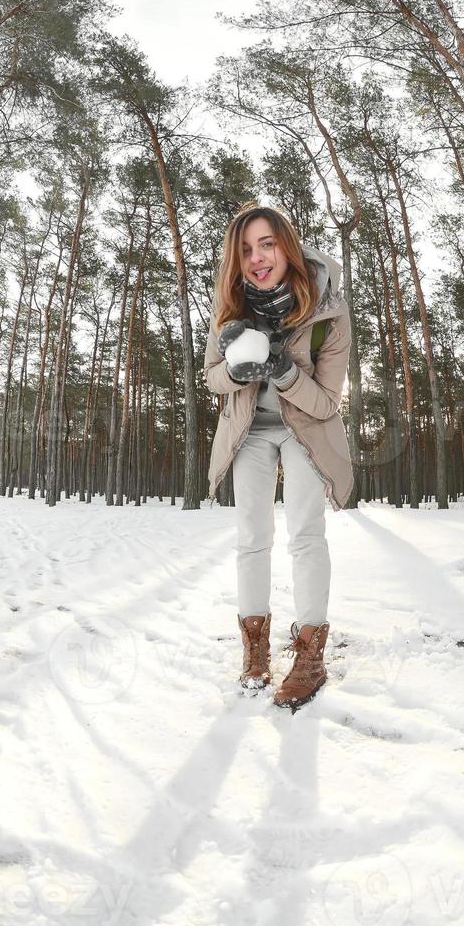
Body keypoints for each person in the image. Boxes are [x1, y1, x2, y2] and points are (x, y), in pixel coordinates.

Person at [203, 203, 353, 710]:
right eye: (246, 249)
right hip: (249, 431)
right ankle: (255, 651)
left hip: (306, 430)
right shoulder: (231, 304)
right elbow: (212, 376)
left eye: (266, 244)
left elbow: (329, 403)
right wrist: (238, 373)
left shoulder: (327, 310)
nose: (256, 257)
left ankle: (310, 657)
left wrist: (283, 371)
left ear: (286, 245)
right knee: (252, 538)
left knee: (306, 535)